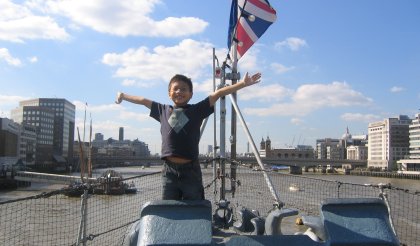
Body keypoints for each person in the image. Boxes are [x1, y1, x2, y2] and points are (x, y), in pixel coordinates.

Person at [115, 72, 261, 200]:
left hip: (190, 170)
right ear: (169, 93)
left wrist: (242, 83)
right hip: (169, 171)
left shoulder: (196, 110)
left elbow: (218, 94)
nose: (179, 91)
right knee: (169, 209)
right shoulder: (163, 110)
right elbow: (142, 100)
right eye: (175, 89)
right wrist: (123, 96)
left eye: (184, 89)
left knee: (195, 208)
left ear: (191, 94)